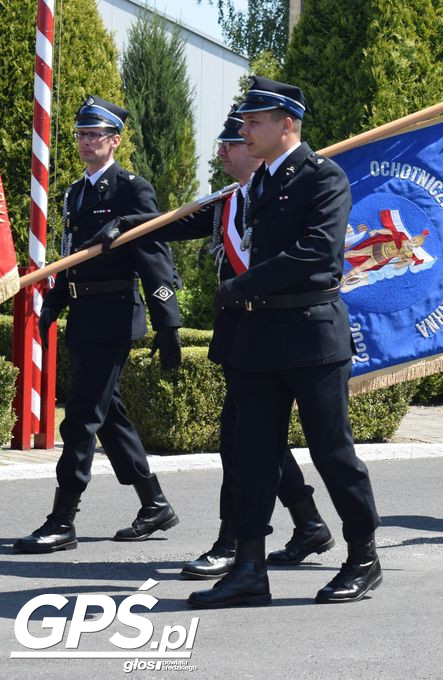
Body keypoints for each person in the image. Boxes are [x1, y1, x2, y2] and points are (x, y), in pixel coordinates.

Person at [92, 107, 336, 579]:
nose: (225, 150)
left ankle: (232, 542)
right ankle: (307, 524)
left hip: (279, 332)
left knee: (242, 442)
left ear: (258, 149)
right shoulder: (231, 200)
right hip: (240, 335)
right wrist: (126, 225)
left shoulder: (276, 194)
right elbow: (174, 224)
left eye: (235, 142)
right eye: (226, 141)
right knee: (253, 438)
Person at [187, 77, 380, 608]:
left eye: (255, 122)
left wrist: (242, 285)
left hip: (310, 333)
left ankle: (362, 555)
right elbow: (201, 222)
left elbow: (318, 253)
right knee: (250, 455)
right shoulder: (254, 185)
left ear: (286, 124)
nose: (244, 131)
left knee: (332, 450)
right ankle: (249, 567)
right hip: (256, 338)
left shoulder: (325, 178)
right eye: (244, 122)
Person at [13, 96, 183, 554]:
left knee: (81, 418)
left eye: (95, 135)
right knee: (107, 415)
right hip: (84, 313)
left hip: (114, 315)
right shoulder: (75, 192)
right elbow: (71, 252)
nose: (87, 142)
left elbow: (155, 252)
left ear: (115, 141)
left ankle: (62, 520)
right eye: (81, 135)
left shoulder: (131, 189)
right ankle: (154, 504)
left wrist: (168, 321)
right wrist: (53, 298)